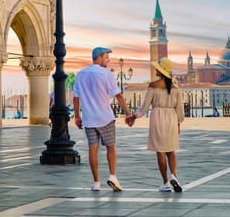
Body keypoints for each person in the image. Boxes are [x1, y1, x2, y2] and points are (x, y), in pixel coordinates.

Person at [73, 47, 133, 192]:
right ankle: (113, 176)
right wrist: (127, 113)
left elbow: (76, 97)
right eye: (106, 57)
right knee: (111, 147)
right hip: (105, 117)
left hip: (89, 119)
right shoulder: (105, 74)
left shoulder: (80, 74)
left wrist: (76, 116)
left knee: (92, 148)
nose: (108, 60)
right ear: (98, 57)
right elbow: (118, 95)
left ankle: (96, 182)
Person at [126, 57, 184, 193]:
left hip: (158, 118)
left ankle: (165, 182)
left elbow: (145, 107)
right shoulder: (175, 87)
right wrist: (178, 123)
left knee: (161, 151)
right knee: (171, 150)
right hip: (171, 118)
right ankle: (174, 176)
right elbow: (180, 109)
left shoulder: (153, 85)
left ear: (160, 70)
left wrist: (134, 116)